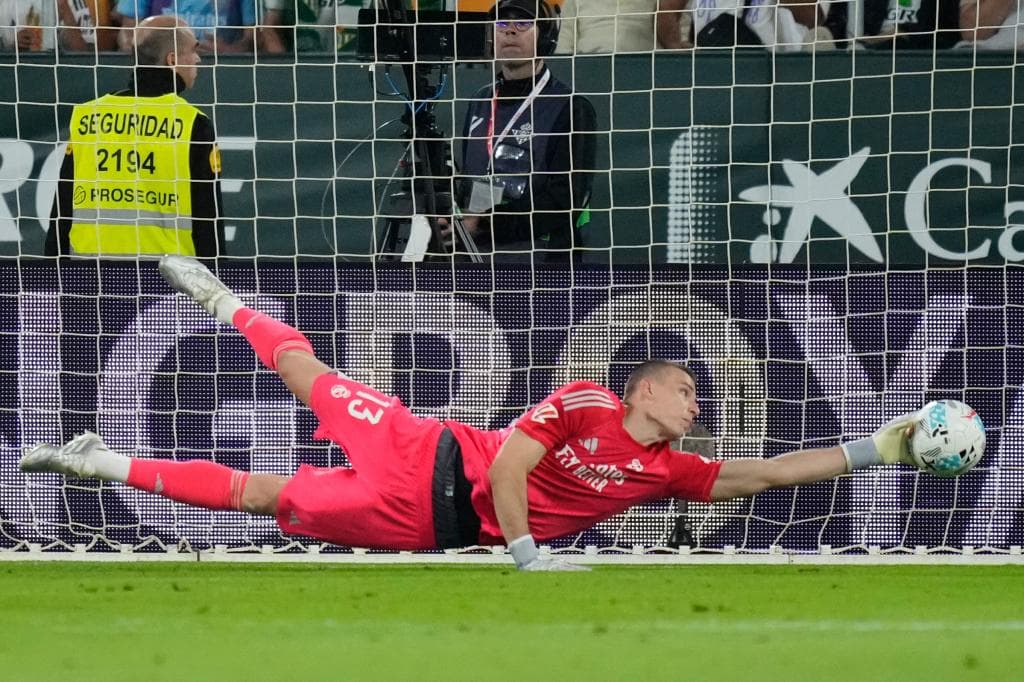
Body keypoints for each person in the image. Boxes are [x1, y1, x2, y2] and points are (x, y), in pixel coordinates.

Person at [20, 256, 920, 571]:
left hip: (422, 523)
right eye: (687, 387)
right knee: (309, 376)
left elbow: (767, 473)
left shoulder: (664, 471)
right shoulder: (587, 401)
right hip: (428, 449)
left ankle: (102, 463)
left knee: (270, 498)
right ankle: (222, 300)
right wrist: (527, 552)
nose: (698, 401)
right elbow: (514, 469)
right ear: (643, 389)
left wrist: (877, 449)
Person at [45, 15, 225, 257]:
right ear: (171, 60)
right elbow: (208, 221)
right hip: (168, 281)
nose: (198, 59)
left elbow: (61, 212)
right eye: (193, 50)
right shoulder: (193, 124)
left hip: (89, 277)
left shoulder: (88, 117)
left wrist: (54, 278)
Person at [447, 0, 597, 263]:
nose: (510, 31)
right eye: (502, 23)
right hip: (474, 256)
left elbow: (564, 201)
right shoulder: (479, 100)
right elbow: (471, 177)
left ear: (546, 36)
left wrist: (484, 224)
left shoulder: (571, 107)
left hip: (541, 264)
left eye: (524, 23)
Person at [114, 0, 256, 54]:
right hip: (162, 67)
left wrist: (229, 51)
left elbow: (254, 38)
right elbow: (128, 31)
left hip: (222, 69)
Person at [555, 0, 669, 53]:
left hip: (645, 68)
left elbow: (677, 47)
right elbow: (562, 47)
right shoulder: (573, 1)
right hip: (590, 68)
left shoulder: (665, 4)